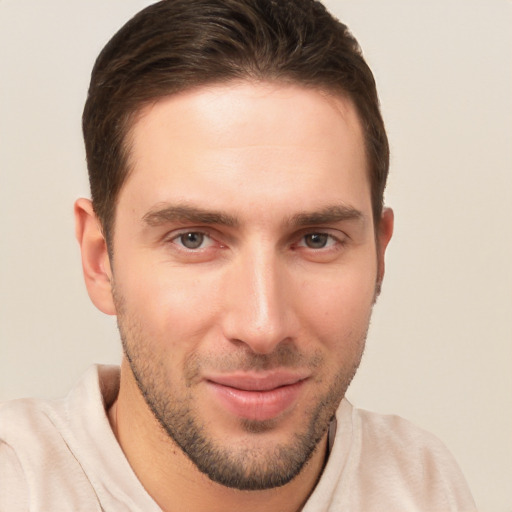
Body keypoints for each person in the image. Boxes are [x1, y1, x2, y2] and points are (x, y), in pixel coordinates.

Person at [0, 0, 477, 510]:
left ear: (379, 258)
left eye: (316, 239)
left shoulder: (423, 486)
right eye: (193, 239)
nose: (262, 326)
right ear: (100, 259)